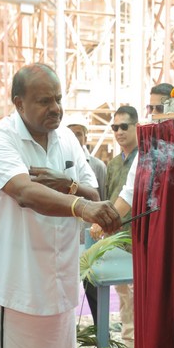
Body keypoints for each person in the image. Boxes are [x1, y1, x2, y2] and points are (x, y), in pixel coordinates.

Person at [0, 63, 122, 348]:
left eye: (58, 99)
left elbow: (92, 188)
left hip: (58, 288)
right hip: (16, 291)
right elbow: (24, 192)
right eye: (44, 101)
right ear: (18, 103)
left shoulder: (66, 139)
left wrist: (69, 186)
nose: (55, 108)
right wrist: (81, 204)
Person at [90, 82, 174, 348]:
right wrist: (105, 219)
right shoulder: (144, 152)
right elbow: (126, 195)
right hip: (138, 241)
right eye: (151, 108)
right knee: (134, 302)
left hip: (168, 247)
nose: (154, 114)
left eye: (160, 107)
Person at [106, 105, 139, 348]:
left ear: (137, 126)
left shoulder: (144, 159)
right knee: (123, 294)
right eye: (114, 127)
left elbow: (131, 197)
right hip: (116, 238)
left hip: (136, 235)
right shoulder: (114, 163)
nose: (118, 132)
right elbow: (110, 200)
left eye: (124, 126)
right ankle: (129, 346)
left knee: (135, 293)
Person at [65, 116, 107, 327]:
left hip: (90, 238)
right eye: (70, 132)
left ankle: (101, 332)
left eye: (78, 133)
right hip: (67, 238)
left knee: (93, 289)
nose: (74, 137)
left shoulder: (97, 166)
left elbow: (102, 199)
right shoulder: (60, 163)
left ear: (85, 136)